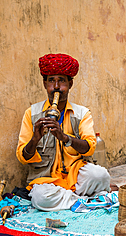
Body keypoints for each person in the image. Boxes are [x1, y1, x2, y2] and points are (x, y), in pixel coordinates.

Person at [16, 53, 117, 211]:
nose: (56, 87)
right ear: (45, 84)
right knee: (40, 198)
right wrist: (35, 139)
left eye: (61, 80)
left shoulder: (82, 113)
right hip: (46, 179)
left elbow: (89, 147)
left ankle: (70, 199)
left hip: (75, 174)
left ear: (70, 84)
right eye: (51, 81)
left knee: (100, 175)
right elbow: (23, 157)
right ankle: (88, 199)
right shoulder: (32, 113)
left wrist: (64, 137)